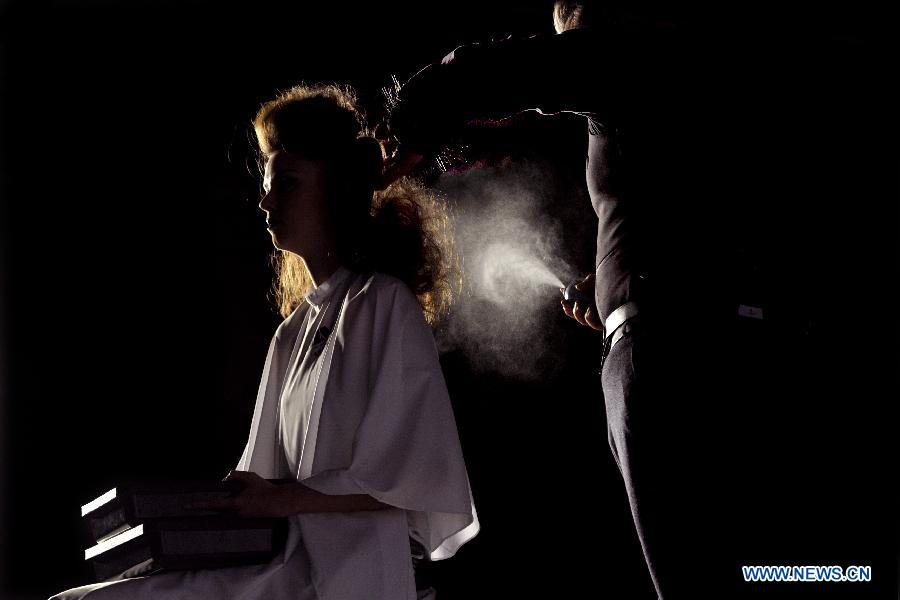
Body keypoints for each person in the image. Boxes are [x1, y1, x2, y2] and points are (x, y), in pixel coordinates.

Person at [48, 84, 479, 600]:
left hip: (354, 575)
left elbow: (413, 478)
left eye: (289, 184)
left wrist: (278, 500)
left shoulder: (385, 304)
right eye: (269, 185)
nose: (266, 200)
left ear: (337, 190)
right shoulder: (291, 331)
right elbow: (262, 484)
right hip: (281, 565)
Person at [382, 2, 741, 597]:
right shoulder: (707, 68)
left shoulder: (631, 55)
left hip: (673, 361)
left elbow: (486, 73)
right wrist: (613, 287)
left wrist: (411, 131)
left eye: (565, 35)